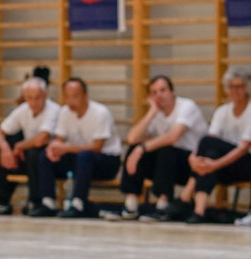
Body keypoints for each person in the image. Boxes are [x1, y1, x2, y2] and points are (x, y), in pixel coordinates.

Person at [29, 77, 123, 218]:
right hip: (79, 160)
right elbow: (59, 141)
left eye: (75, 96)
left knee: (84, 156)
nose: (70, 101)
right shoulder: (65, 112)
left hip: (107, 162)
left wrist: (65, 148)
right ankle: (47, 202)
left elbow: (97, 147)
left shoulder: (100, 113)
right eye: (67, 96)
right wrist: (52, 150)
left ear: (85, 96)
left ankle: (78, 203)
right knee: (44, 156)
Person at [118, 75, 207, 221]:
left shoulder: (187, 106)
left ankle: (163, 205)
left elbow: (173, 136)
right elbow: (132, 138)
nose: (158, 95)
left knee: (165, 148)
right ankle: (131, 204)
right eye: (154, 92)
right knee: (134, 148)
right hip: (166, 166)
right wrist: (151, 112)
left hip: (193, 166)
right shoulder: (157, 113)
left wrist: (142, 148)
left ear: (173, 92)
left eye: (162, 90)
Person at [0, 76, 59, 215]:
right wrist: (5, 149)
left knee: (36, 152)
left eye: (37, 97)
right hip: (26, 157)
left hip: (50, 161)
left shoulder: (54, 110)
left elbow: (41, 139)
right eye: (29, 97)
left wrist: (20, 146)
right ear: (24, 97)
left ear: (45, 95)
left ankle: (36, 201)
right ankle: (0, 201)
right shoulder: (23, 110)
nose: (33, 102)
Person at [182, 68, 251, 224]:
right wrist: (193, 158)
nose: (235, 91)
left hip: (246, 163)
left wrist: (214, 165)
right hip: (225, 164)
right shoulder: (222, 111)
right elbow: (208, 142)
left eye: (239, 86)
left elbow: (243, 149)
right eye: (231, 86)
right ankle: (199, 211)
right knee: (209, 152)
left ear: (246, 88)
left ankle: (185, 196)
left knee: (209, 150)